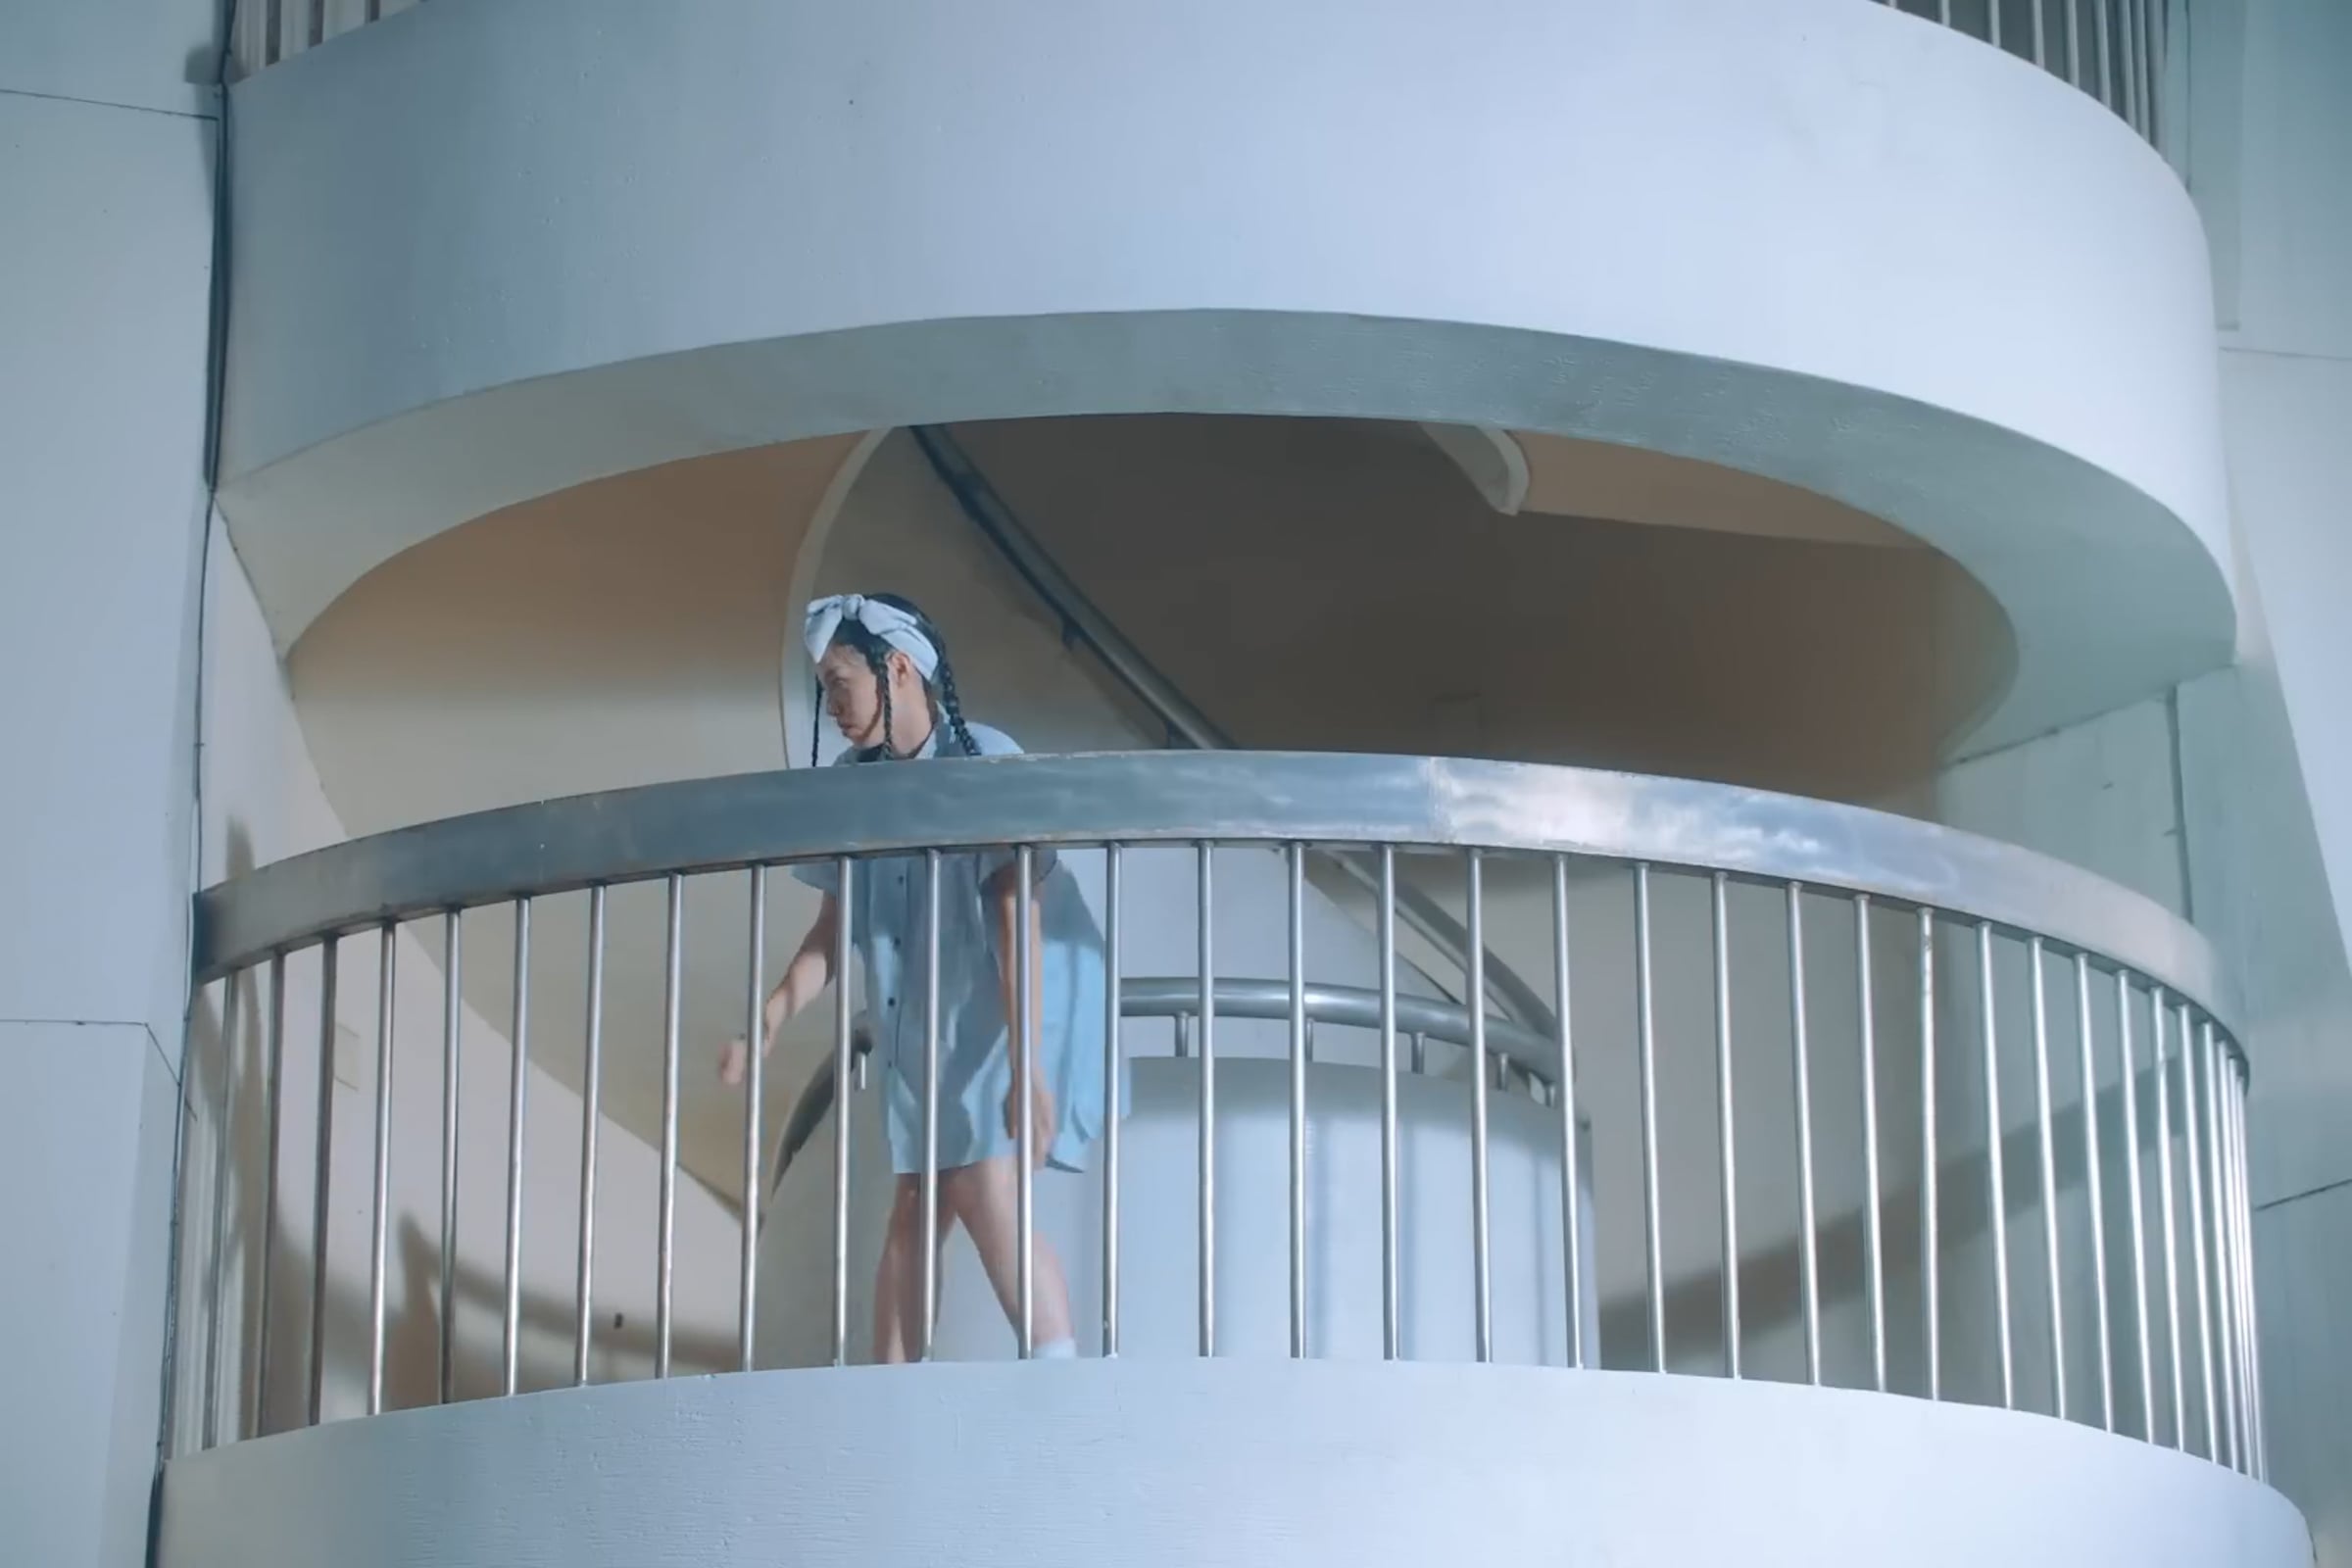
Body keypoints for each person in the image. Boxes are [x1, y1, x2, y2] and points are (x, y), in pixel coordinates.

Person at [719, 592, 1110, 1362]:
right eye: (825, 689)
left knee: (980, 1185)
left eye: (841, 684)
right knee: (917, 1200)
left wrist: (1028, 1064)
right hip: (927, 1027)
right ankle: (897, 1383)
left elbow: (1016, 921)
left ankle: (1055, 1366)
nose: (834, 706)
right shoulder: (853, 786)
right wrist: (768, 1019)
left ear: (897, 669)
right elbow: (832, 930)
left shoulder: (980, 760)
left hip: (1007, 1010)